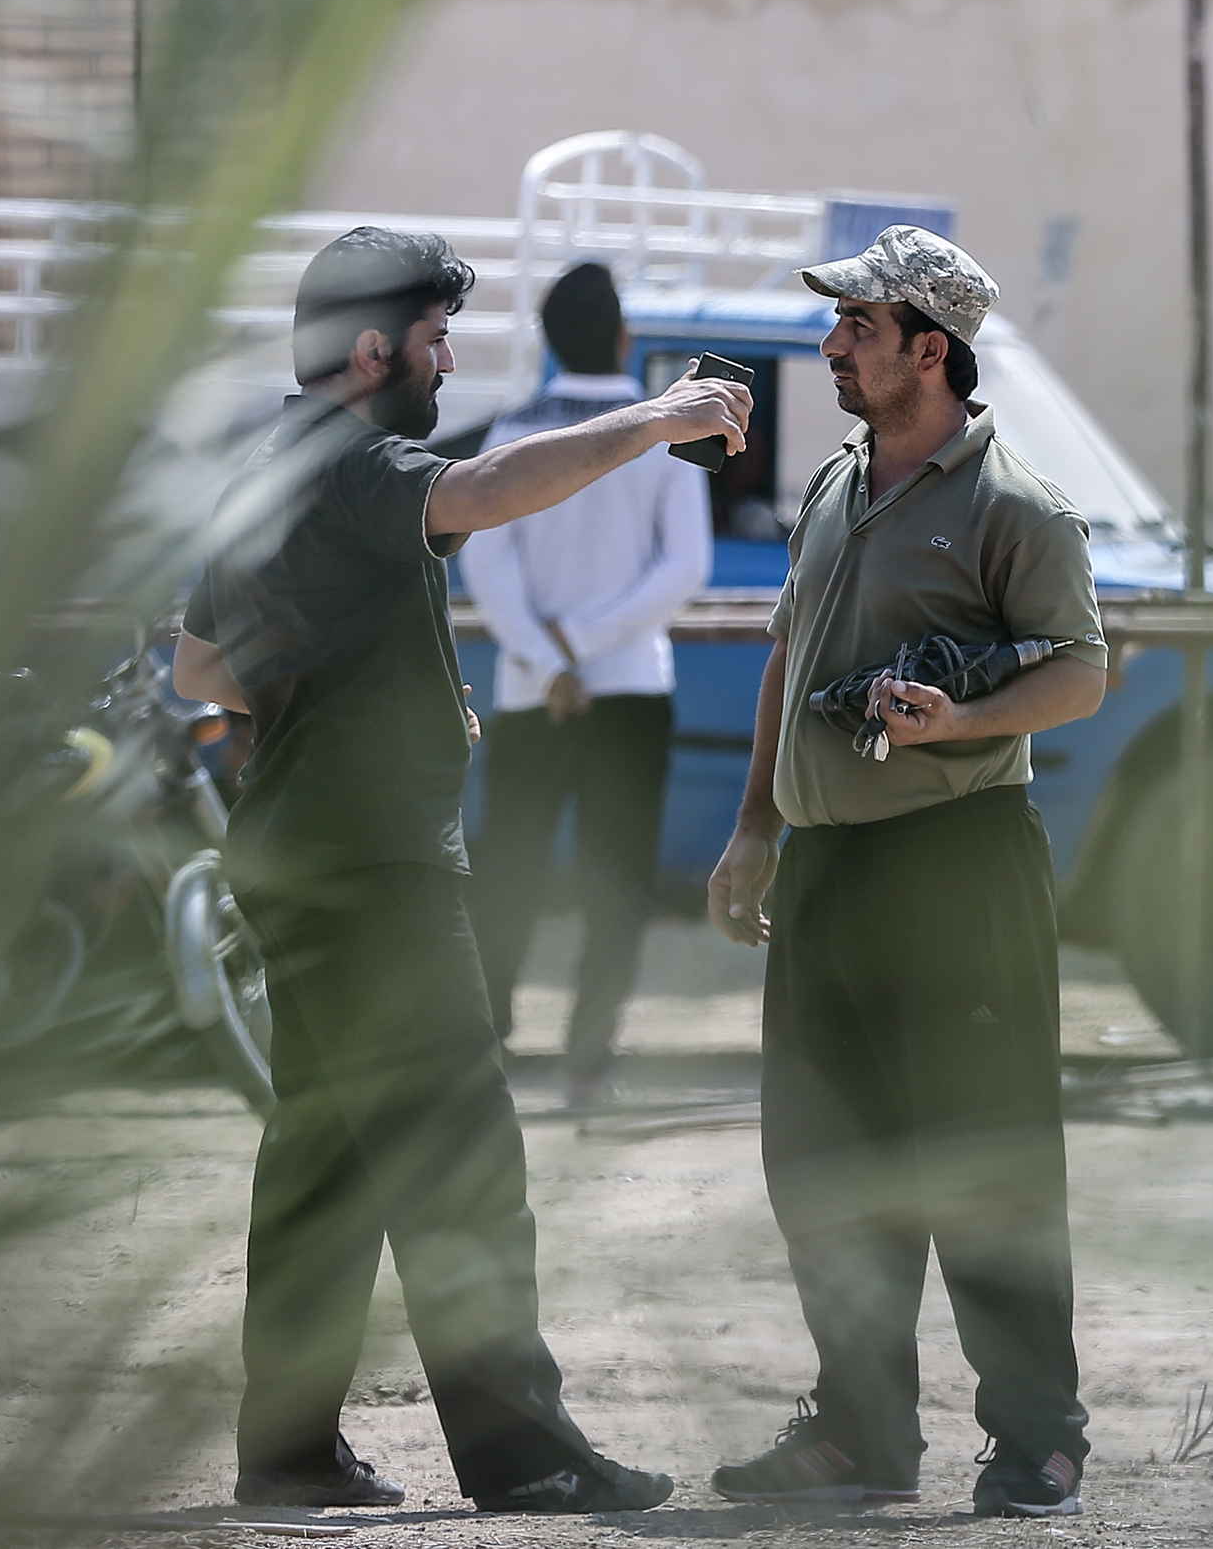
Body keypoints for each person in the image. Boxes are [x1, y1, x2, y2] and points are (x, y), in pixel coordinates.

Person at [172, 227, 749, 1516]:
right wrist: (657, 418)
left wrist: (366, 699)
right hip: (376, 862)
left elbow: (201, 668)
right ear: (376, 349)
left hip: (293, 851)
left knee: (325, 1161)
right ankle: (523, 1452)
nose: (446, 365)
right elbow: (482, 491)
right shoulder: (359, 460)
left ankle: (289, 1453)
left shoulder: (260, 467)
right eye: (436, 341)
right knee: (461, 1155)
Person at [703, 225, 1109, 1519]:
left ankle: (1038, 1438)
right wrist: (756, 824)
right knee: (823, 1160)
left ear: (931, 351)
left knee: (983, 1157)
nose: (831, 346)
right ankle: (862, 1431)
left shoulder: (1017, 508)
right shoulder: (835, 483)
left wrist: (960, 719)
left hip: (958, 866)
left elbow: (1080, 673)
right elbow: (785, 654)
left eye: (859, 328)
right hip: (825, 872)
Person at [460, 263, 713, 1111]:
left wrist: (547, 656)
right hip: (631, 685)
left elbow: (485, 562)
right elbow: (685, 567)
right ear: (623, 337)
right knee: (618, 878)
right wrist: (587, 642)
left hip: (530, 692)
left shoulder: (513, 430)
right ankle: (590, 1064)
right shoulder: (665, 430)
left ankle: (485, 1051)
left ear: (549, 340)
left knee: (509, 869)